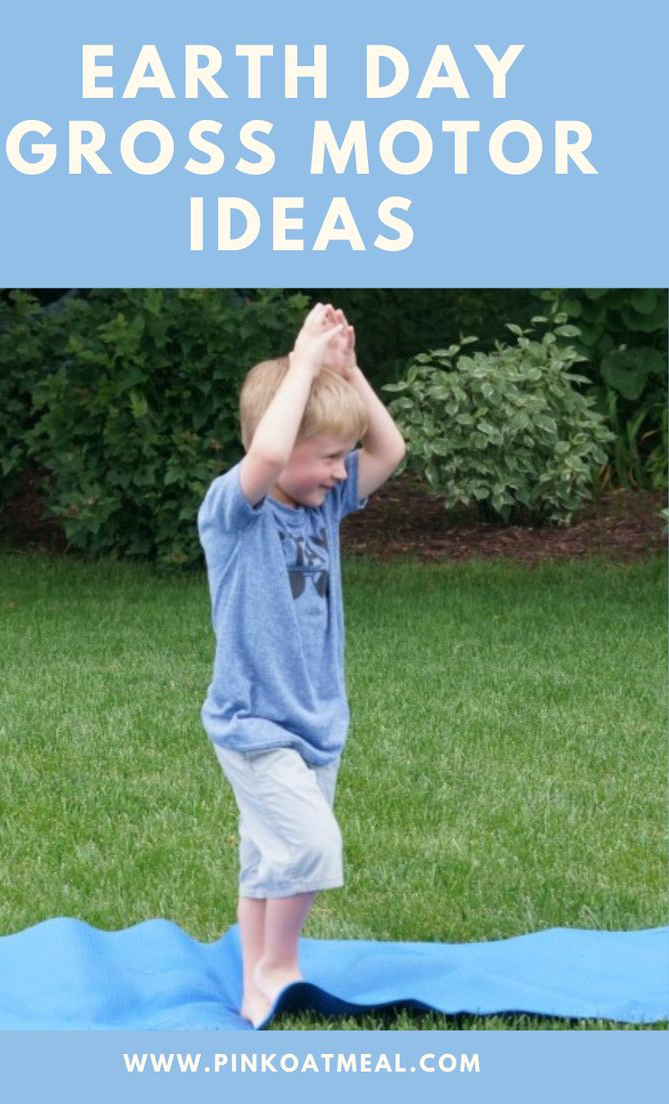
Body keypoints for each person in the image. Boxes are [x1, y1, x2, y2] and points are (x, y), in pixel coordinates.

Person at [197, 302, 406, 1026]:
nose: (340, 471)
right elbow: (263, 456)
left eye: (340, 459)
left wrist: (347, 373)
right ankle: (282, 965)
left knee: (268, 859)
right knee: (312, 846)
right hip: (253, 722)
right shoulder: (234, 511)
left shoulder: (322, 505)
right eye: (325, 457)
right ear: (280, 446)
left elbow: (390, 451)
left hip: (316, 718)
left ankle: (256, 980)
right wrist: (304, 363)